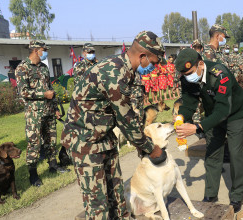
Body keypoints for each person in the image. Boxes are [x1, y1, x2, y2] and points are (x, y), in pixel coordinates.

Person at [61, 31, 165, 220]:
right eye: (154, 62)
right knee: (98, 205)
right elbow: (126, 120)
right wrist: (151, 149)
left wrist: (141, 147)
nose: (154, 67)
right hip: (85, 142)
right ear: (142, 57)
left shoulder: (125, 69)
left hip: (104, 136)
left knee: (116, 198)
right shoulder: (114, 73)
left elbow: (129, 115)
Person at [174, 48, 243, 213]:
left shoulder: (220, 75)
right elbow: (189, 103)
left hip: (234, 113)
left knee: (235, 154)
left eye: (190, 72)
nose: (187, 77)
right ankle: (211, 195)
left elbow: (223, 110)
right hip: (213, 113)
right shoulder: (187, 78)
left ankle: (237, 196)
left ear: (200, 64)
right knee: (212, 153)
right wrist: (181, 118)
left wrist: (197, 127)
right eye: (184, 74)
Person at [15, 40, 68, 187]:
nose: (46, 52)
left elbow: (50, 88)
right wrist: (43, 94)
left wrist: (56, 108)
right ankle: (33, 174)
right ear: (36, 50)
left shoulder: (44, 67)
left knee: (51, 140)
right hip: (34, 114)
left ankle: (53, 165)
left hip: (49, 111)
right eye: (44, 49)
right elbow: (23, 92)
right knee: (34, 143)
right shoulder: (22, 68)